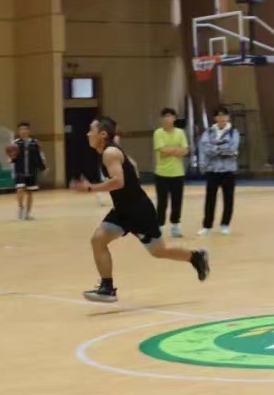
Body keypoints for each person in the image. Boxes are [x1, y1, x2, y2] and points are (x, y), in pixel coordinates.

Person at [70, 116, 209, 303]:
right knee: (98, 240)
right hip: (122, 210)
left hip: (139, 211)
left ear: (102, 134)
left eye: (91, 130)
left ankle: (196, 257)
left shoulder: (110, 152)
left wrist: (89, 188)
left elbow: (118, 182)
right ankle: (107, 288)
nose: (88, 134)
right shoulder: (110, 151)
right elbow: (132, 167)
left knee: (158, 251)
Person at [198, 106, 239, 236]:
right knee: (210, 199)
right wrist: (222, 149)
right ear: (215, 118)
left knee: (228, 199)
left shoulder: (233, 132)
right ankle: (207, 226)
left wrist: (215, 148)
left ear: (228, 117)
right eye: (219, 115)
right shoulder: (208, 132)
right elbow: (205, 148)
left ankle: (225, 224)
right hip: (212, 170)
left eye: (224, 115)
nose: (222, 118)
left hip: (228, 171)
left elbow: (232, 148)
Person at [152, 108, 189, 238]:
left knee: (177, 201)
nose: (168, 119)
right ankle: (159, 226)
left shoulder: (180, 133)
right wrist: (176, 150)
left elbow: (185, 150)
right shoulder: (158, 133)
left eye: (170, 116)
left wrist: (170, 150)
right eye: (165, 116)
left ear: (174, 118)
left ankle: (175, 226)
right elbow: (162, 151)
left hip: (178, 173)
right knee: (162, 202)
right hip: (161, 173)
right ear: (161, 119)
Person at [12, 122, 46, 220]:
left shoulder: (35, 143)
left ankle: (28, 213)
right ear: (19, 131)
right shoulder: (15, 143)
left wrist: (43, 167)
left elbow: (40, 156)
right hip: (19, 170)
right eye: (21, 129)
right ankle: (20, 208)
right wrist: (11, 158)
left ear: (29, 130)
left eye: (25, 129)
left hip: (31, 171)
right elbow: (11, 157)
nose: (23, 131)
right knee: (20, 189)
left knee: (30, 192)